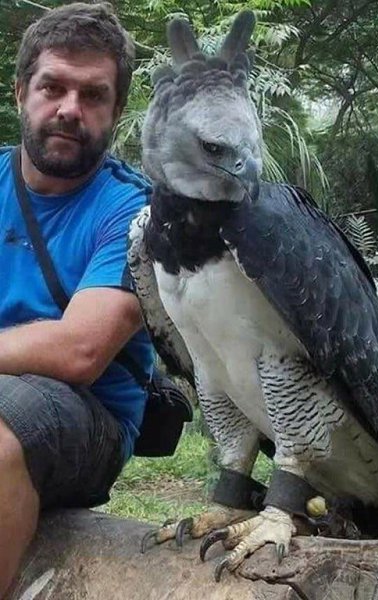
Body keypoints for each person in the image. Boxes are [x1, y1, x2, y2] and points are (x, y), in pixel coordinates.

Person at [0, 3, 154, 594]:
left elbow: (80, 351)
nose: (70, 108)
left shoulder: (138, 211)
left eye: (93, 95)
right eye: (53, 87)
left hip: (89, 415)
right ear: (21, 92)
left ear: (116, 112)